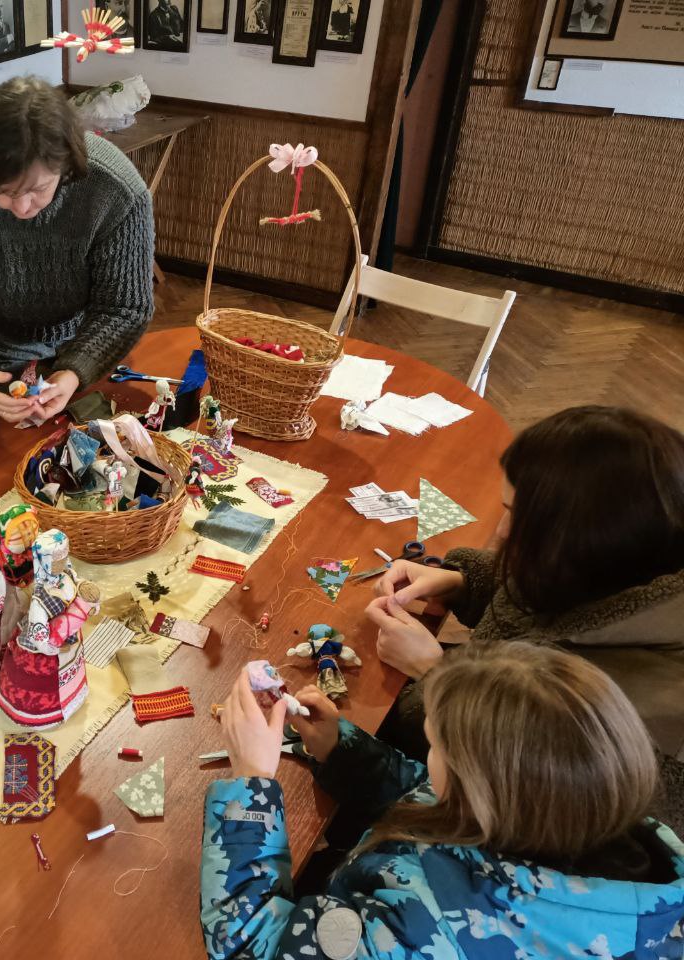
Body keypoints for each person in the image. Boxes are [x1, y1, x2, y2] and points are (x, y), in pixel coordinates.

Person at [202, 643, 684, 958]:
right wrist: (341, 749)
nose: (428, 757)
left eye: (434, 746)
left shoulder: (421, 934)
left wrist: (252, 783)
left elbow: (248, 946)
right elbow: (432, 801)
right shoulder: (579, 811)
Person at [364, 406, 684, 826]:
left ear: (583, 540)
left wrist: (437, 676)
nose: (500, 531)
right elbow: (554, 607)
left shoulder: (643, 711)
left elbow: (516, 782)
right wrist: (461, 581)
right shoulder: (630, 566)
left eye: (518, 517)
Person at [0, 76, 154, 425]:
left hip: (88, 333)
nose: (22, 207)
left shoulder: (116, 190)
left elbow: (123, 307)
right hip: (0, 344)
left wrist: (75, 370)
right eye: (4, 191)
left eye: (38, 189)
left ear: (66, 163)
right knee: (14, 439)